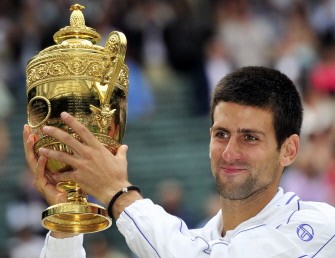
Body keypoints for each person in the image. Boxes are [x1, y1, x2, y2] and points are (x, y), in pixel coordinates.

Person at [23, 66, 335, 257]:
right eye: (221, 134)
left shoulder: (321, 228)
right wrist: (66, 224)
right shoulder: (191, 240)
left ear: (289, 150)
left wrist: (118, 193)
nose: (229, 152)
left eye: (250, 137)